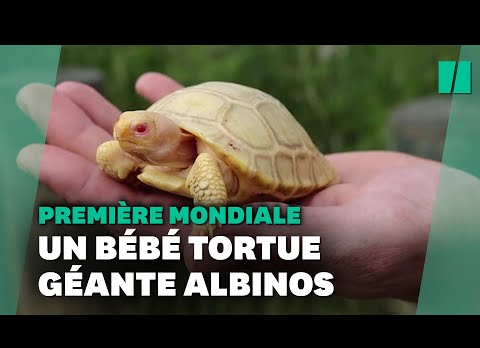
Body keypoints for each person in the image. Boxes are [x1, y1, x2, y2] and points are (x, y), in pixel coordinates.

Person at [14, 72, 462, 303]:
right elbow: (116, 152)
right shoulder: (139, 148)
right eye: (129, 129)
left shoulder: (208, 160)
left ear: (169, 134)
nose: (129, 136)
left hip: (253, 138)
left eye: (143, 130)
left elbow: (209, 180)